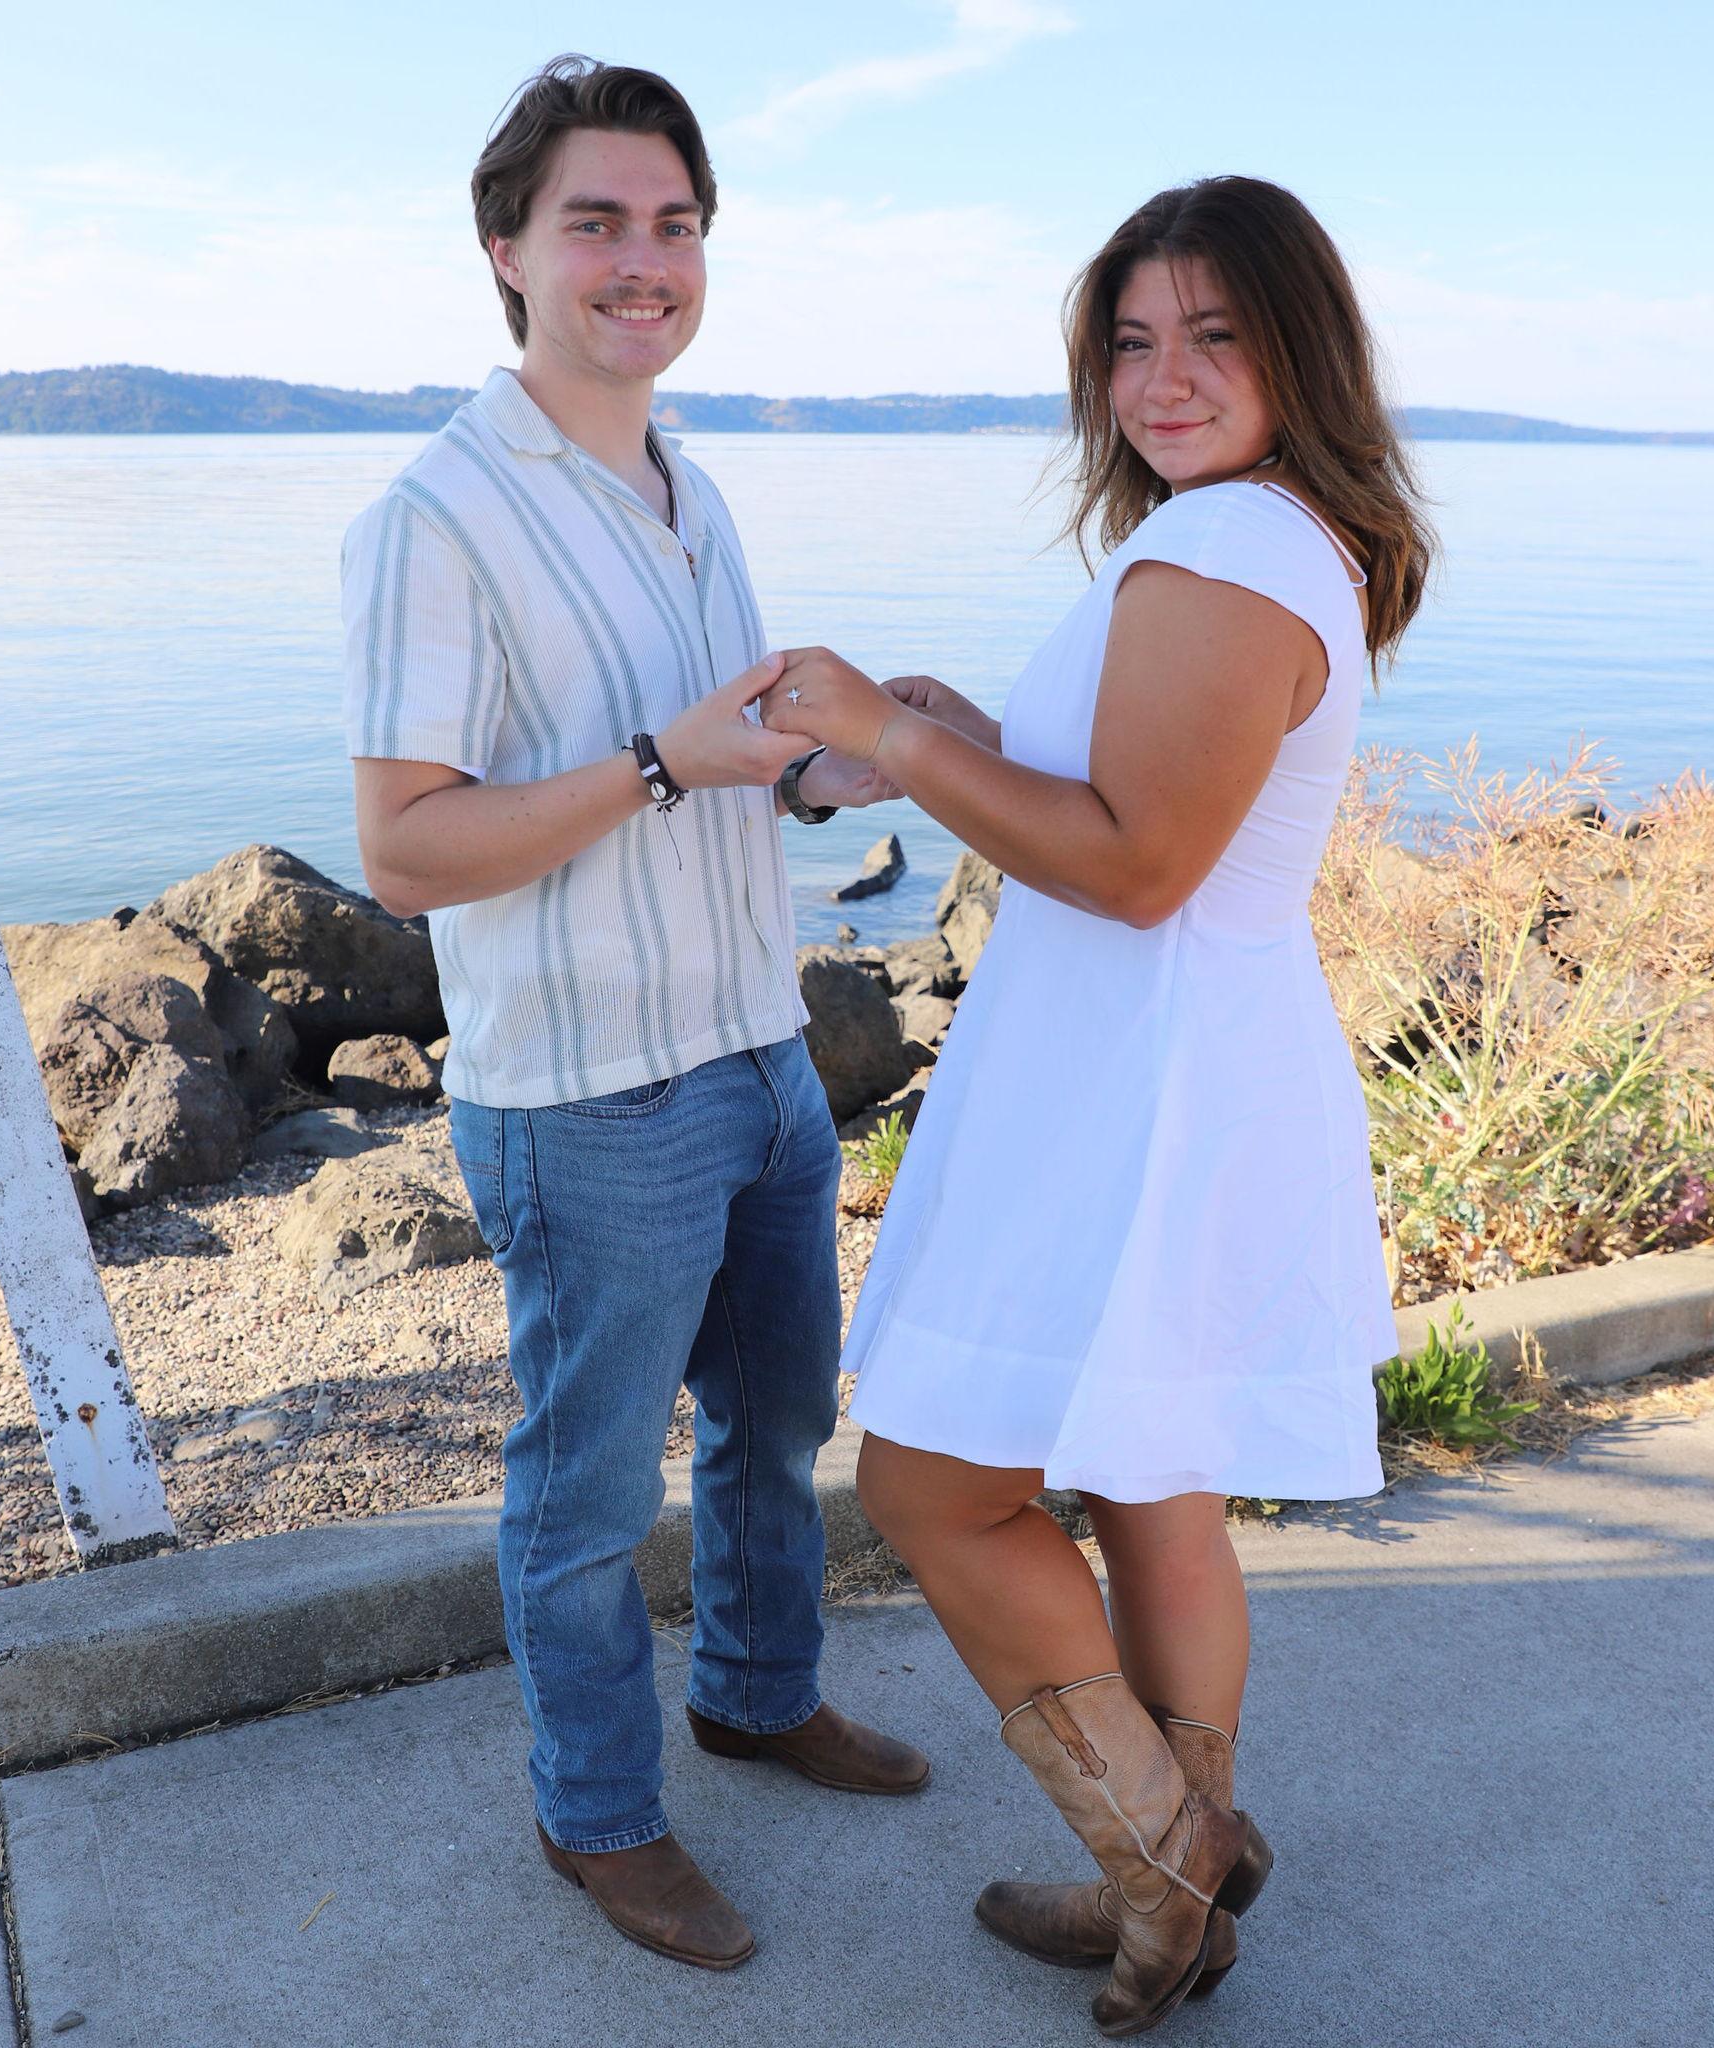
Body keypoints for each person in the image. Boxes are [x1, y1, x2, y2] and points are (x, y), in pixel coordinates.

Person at [756, 175, 1433, 2034]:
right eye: (1133, 342)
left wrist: (887, 738)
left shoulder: (1225, 549)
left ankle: (1160, 1862)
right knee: (1152, 1485)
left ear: (1302, 352)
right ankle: (1179, 1867)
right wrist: (971, 743)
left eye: (1214, 335)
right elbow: (1144, 809)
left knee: (933, 1487)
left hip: (1132, 1093)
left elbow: (1135, 867)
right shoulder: (1268, 538)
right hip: (1187, 1070)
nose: (1163, 377)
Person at [341, 55, 924, 1973]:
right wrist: (665, 766)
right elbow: (406, 852)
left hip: (757, 1052)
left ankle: (756, 1695)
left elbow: (725, 756)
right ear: (506, 248)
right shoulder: (435, 516)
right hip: (589, 1095)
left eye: (675, 224)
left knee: (776, 1426)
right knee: (585, 1495)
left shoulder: (691, 482)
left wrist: (842, 766)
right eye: (596, 221)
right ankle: (596, 1814)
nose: (643, 260)